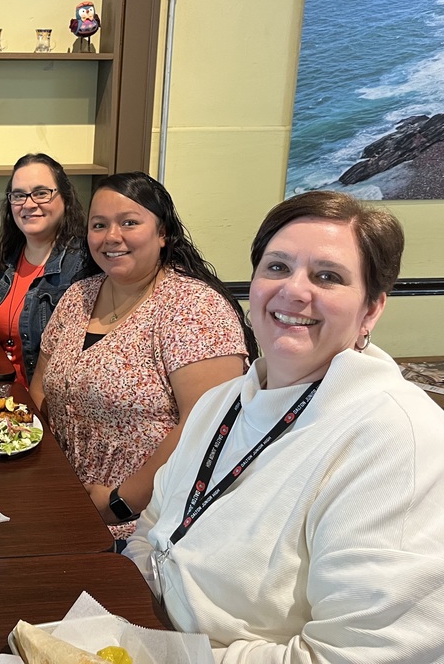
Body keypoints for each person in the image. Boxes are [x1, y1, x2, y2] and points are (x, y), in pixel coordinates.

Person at [123, 190, 444, 662]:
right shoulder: (223, 402)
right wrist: (131, 616)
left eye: (327, 276)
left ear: (372, 309)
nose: (293, 290)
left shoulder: (398, 441)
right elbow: (154, 525)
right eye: (277, 267)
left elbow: (357, 656)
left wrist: (180, 655)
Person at [30, 172, 256, 540]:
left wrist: (119, 502)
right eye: (99, 225)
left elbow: (210, 428)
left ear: (162, 232)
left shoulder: (192, 307)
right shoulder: (79, 296)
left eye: (129, 223)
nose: (111, 237)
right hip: (67, 503)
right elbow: (42, 380)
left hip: (145, 525)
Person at [0, 153, 88, 388]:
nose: (29, 204)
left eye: (41, 193)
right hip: (2, 397)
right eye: (19, 195)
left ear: (66, 198)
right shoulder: (6, 256)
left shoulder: (84, 263)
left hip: (45, 406)